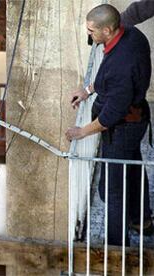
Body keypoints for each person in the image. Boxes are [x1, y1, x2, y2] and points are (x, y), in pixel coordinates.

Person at [66, 4, 152, 245]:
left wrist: (81, 131)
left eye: (92, 31)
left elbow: (109, 116)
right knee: (133, 167)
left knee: (112, 191)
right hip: (136, 121)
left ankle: (116, 249)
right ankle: (142, 219)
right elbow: (107, 79)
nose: (89, 36)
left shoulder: (121, 65)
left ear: (108, 29)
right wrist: (87, 89)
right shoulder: (131, 36)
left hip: (122, 129)